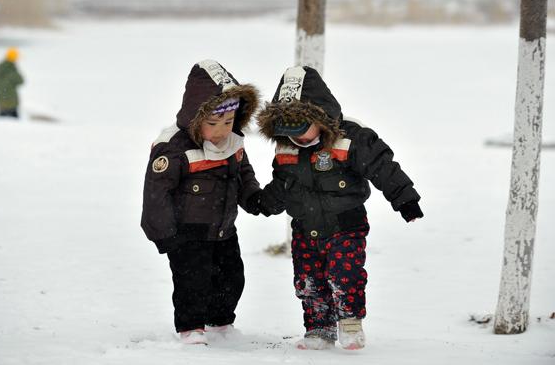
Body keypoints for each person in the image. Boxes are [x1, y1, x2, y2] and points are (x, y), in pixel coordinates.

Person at [255, 66, 423, 350]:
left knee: (345, 274)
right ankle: (319, 327)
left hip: (346, 224)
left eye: (302, 128)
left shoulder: (351, 140)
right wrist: (261, 203)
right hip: (304, 228)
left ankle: (350, 322)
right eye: (288, 130)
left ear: (319, 115)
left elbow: (383, 167)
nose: (299, 138)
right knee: (308, 279)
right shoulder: (286, 150)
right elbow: (282, 184)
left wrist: (404, 198)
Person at [141, 59, 265, 345]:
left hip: (224, 228)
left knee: (232, 278)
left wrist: (254, 198)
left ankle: (220, 322)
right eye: (212, 123)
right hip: (186, 232)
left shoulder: (232, 143)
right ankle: (191, 327)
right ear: (196, 118)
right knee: (192, 282)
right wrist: (166, 236)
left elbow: (242, 174)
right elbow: (155, 194)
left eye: (228, 121)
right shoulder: (173, 148)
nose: (221, 130)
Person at [0, 47, 24, 118]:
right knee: (15, 123)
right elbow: (21, 81)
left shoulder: (0, 68)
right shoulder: (12, 69)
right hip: (12, 102)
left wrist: (1, 87)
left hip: (2, 100)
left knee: (2, 121)